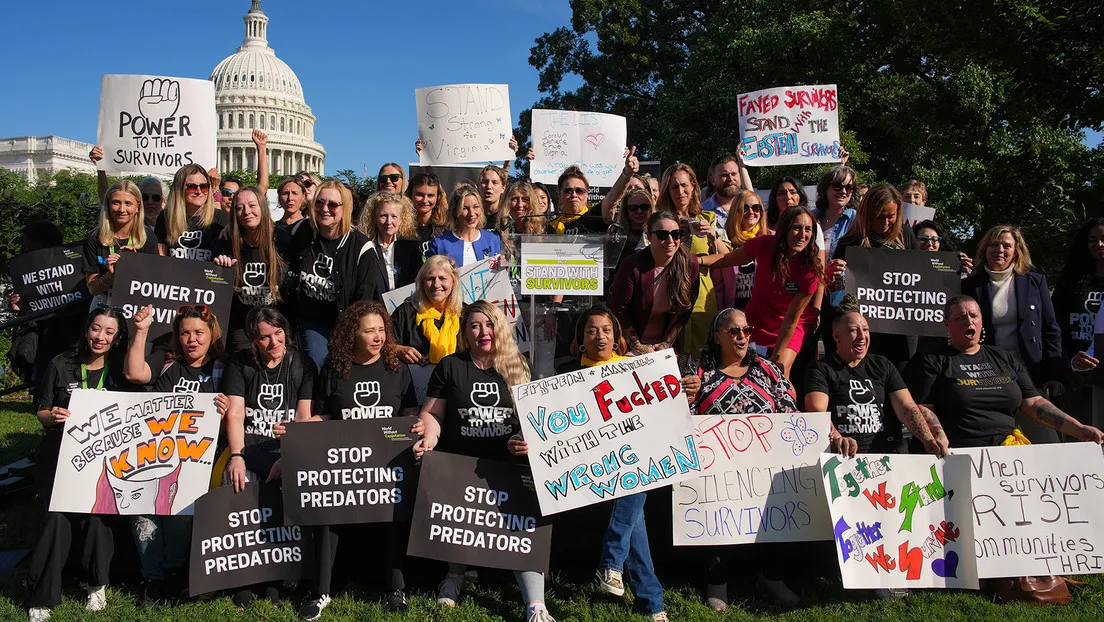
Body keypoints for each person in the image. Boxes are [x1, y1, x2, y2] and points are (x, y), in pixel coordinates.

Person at [411, 301, 555, 621]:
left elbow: (534, 419)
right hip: (461, 464)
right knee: (459, 523)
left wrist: (521, 439)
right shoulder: (450, 365)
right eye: (475, 326)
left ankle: (536, 605)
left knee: (522, 526)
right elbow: (432, 413)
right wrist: (430, 438)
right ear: (465, 333)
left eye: (489, 324)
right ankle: (455, 576)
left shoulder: (518, 366)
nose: (483, 332)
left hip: (507, 465)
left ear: (499, 328)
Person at [299, 301, 418, 619]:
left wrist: (417, 426)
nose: (378, 336)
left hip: (387, 464)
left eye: (382, 330)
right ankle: (319, 592)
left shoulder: (397, 367)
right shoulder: (335, 368)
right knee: (326, 510)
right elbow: (324, 415)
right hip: (344, 464)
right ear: (353, 333)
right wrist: (299, 431)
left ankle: (396, 589)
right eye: (370, 330)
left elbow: (409, 414)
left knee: (398, 508)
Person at [560, 307, 676, 622]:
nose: (600, 336)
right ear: (581, 339)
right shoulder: (566, 376)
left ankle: (617, 569)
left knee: (633, 483)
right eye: (592, 331)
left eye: (607, 330)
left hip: (633, 462)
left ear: (617, 337)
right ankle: (649, 599)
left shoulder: (635, 370)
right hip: (589, 467)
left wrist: (685, 389)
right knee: (634, 510)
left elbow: (664, 406)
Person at [689, 308, 798, 610]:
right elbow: (684, 416)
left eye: (747, 331)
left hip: (766, 462)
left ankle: (772, 576)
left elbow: (789, 404)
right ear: (717, 336)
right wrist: (687, 396)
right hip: (718, 468)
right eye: (734, 331)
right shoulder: (701, 374)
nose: (742, 337)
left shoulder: (768, 369)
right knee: (718, 516)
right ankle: (717, 582)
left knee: (779, 512)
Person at [28, 307, 130, 622]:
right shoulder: (61, 364)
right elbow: (42, 411)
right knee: (57, 517)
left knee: (100, 514)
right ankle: (42, 597)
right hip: (60, 454)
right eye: (96, 328)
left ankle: (96, 584)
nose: (100, 337)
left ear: (117, 338)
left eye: (109, 332)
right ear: (87, 328)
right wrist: (53, 415)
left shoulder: (121, 371)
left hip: (105, 458)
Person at [122, 304, 229, 603]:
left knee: (181, 518)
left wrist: (226, 410)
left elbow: (236, 414)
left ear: (212, 334)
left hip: (198, 461)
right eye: (185, 333)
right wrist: (141, 331)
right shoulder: (166, 362)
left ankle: (172, 573)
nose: (191, 339)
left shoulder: (223, 368)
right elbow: (134, 374)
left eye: (198, 332)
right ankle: (151, 578)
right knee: (143, 514)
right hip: (154, 455)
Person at [907, 295, 1103, 449]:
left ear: (981, 319)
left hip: (1007, 456)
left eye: (974, 316)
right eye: (960, 318)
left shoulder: (1002, 357)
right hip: (960, 451)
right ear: (947, 324)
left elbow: (1034, 402)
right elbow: (923, 407)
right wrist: (937, 436)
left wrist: (1079, 429)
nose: (969, 321)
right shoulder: (932, 360)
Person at [221, 306, 315, 607]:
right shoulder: (240, 363)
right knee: (238, 483)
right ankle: (244, 577)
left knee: (291, 488)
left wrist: (289, 456)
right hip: (249, 446)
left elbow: (303, 417)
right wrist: (236, 456)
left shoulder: (302, 363)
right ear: (253, 341)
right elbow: (234, 413)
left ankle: (278, 577)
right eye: (265, 338)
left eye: (278, 334)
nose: (274, 342)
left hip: (281, 448)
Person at [805, 300, 950, 455]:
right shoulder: (821, 369)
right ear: (836, 337)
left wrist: (928, 440)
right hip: (844, 457)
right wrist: (838, 438)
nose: (862, 336)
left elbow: (906, 406)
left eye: (866, 330)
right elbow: (817, 411)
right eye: (853, 330)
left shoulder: (882, 365)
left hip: (883, 455)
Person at [961, 225, 1063, 443]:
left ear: (1016, 251)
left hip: (1029, 372)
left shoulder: (1035, 282)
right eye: (993, 244)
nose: (999, 250)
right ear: (984, 249)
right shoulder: (969, 285)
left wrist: (1053, 374)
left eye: (1006, 245)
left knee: (1046, 437)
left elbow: (1050, 328)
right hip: (987, 373)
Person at [712, 206, 823, 377]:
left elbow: (791, 320)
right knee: (743, 369)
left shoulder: (810, 269)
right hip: (758, 319)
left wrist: (776, 356)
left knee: (779, 371)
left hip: (792, 323)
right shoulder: (764, 244)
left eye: (808, 229)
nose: (802, 235)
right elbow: (727, 259)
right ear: (784, 229)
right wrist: (697, 261)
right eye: (796, 228)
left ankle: (787, 404)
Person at [286, 181, 384, 367]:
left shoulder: (362, 247)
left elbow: (364, 300)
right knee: (317, 363)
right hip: (311, 320)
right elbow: (267, 237)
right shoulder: (301, 231)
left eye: (332, 204)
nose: (325, 209)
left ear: (344, 208)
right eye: (319, 203)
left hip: (347, 323)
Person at [829, 184, 921, 369]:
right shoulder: (849, 243)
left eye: (891, 217)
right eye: (879, 217)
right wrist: (833, 274)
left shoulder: (907, 236)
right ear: (867, 214)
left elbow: (920, 276)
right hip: (866, 328)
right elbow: (836, 295)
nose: (886, 223)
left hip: (902, 327)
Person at [656, 163, 728, 359]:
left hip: (701, 296)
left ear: (694, 186)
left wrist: (711, 236)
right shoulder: (657, 221)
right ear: (667, 191)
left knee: (700, 357)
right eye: (674, 187)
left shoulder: (709, 218)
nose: (680, 191)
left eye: (684, 185)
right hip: (665, 296)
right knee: (667, 357)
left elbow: (727, 257)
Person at [609, 211, 700, 355]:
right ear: (649, 236)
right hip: (630, 345)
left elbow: (685, 311)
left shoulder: (690, 264)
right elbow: (619, 310)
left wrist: (665, 344)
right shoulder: (632, 265)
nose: (670, 240)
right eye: (662, 235)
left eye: (676, 234)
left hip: (668, 346)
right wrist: (638, 347)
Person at [213, 186, 291, 353]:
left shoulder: (282, 240)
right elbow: (216, 290)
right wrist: (220, 270)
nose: (246, 212)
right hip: (241, 323)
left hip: (276, 322)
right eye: (240, 208)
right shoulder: (225, 243)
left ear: (262, 207)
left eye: (252, 205)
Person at [1053, 218, 1104, 424]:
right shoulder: (1070, 282)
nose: (1099, 244)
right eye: (1092, 239)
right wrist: (1068, 363)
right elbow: (1054, 326)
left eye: (1103, 239)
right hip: (1075, 376)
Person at [83, 180, 160, 305]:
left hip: (135, 303)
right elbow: (92, 289)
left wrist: (135, 265)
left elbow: (154, 284)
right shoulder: (94, 237)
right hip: (104, 301)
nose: (121, 209)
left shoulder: (148, 237)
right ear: (108, 205)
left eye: (128, 203)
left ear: (138, 207)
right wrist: (111, 275)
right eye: (116, 203)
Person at [392, 255, 464, 365]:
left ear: (453, 282)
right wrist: (397, 349)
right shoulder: (405, 313)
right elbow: (384, 345)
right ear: (421, 282)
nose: (436, 285)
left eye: (442, 278)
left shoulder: (465, 314)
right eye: (430, 279)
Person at [155, 164, 230, 262]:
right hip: (174, 275)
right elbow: (160, 258)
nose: (199, 191)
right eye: (191, 187)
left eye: (204, 187)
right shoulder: (166, 217)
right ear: (179, 189)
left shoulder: (222, 218)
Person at [711, 190, 767, 311]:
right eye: (745, 208)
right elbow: (719, 286)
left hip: (763, 313)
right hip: (734, 314)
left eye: (756, 207)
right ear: (736, 211)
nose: (751, 212)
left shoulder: (771, 239)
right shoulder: (726, 240)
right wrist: (721, 313)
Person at [358, 191, 424, 292]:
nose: (389, 222)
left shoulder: (411, 249)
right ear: (375, 218)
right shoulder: (366, 248)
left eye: (394, 217)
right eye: (383, 216)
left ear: (401, 219)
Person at [425, 184, 502, 268]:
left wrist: (505, 265)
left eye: (476, 207)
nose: (471, 214)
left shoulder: (493, 239)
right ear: (455, 211)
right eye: (465, 208)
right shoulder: (440, 243)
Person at [699, 154, 753, 231]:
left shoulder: (752, 210)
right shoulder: (702, 212)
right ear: (713, 180)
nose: (731, 178)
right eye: (725, 175)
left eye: (734, 174)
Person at [613, 187, 655, 270]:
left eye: (644, 207)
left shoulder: (658, 233)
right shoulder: (617, 235)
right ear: (626, 210)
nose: (639, 211)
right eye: (633, 208)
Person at [408, 172, 449, 249]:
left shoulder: (446, 227)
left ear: (438, 197)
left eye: (430, 195)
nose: (425, 200)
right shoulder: (401, 227)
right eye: (419, 195)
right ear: (410, 195)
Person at [478, 165, 509, 231]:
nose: (489, 186)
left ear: (503, 188)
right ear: (479, 186)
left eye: (495, 182)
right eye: (485, 182)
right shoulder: (471, 216)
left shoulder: (508, 218)